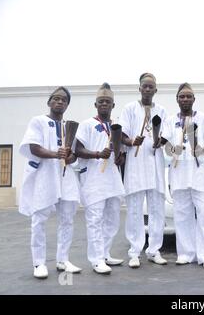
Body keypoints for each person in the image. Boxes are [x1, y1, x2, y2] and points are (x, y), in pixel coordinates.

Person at [19, 86, 82, 279]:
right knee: (39, 219)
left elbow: (74, 156)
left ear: (67, 104)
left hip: (66, 177)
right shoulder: (38, 121)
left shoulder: (69, 126)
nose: (60, 102)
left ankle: (63, 259)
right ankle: (39, 263)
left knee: (67, 219)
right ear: (49, 102)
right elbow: (34, 147)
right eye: (56, 98)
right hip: (44, 176)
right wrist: (56, 154)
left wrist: (69, 157)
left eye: (64, 99)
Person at [161, 83, 204, 269]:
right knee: (182, 214)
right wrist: (172, 149)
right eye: (182, 97)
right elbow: (165, 145)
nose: (185, 99)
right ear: (177, 99)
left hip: (200, 172)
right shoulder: (170, 120)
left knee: (203, 213)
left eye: (188, 96)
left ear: (194, 99)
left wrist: (202, 149)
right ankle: (186, 253)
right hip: (179, 172)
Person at [75, 83, 126, 274]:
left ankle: (105, 253)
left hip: (112, 178)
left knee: (112, 218)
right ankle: (96, 260)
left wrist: (120, 157)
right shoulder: (87, 124)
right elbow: (77, 149)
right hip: (94, 179)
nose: (104, 104)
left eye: (108, 102)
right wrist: (97, 154)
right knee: (95, 219)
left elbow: (120, 152)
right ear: (95, 104)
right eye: (101, 101)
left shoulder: (116, 126)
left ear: (113, 105)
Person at [119, 73, 168, 267]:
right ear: (139, 89)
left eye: (151, 87)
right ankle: (134, 252)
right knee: (135, 211)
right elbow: (121, 135)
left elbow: (165, 135)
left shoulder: (162, 110)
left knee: (157, 210)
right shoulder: (129, 108)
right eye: (144, 86)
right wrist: (131, 141)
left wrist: (159, 141)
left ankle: (154, 250)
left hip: (155, 165)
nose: (147, 89)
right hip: (136, 166)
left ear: (155, 90)